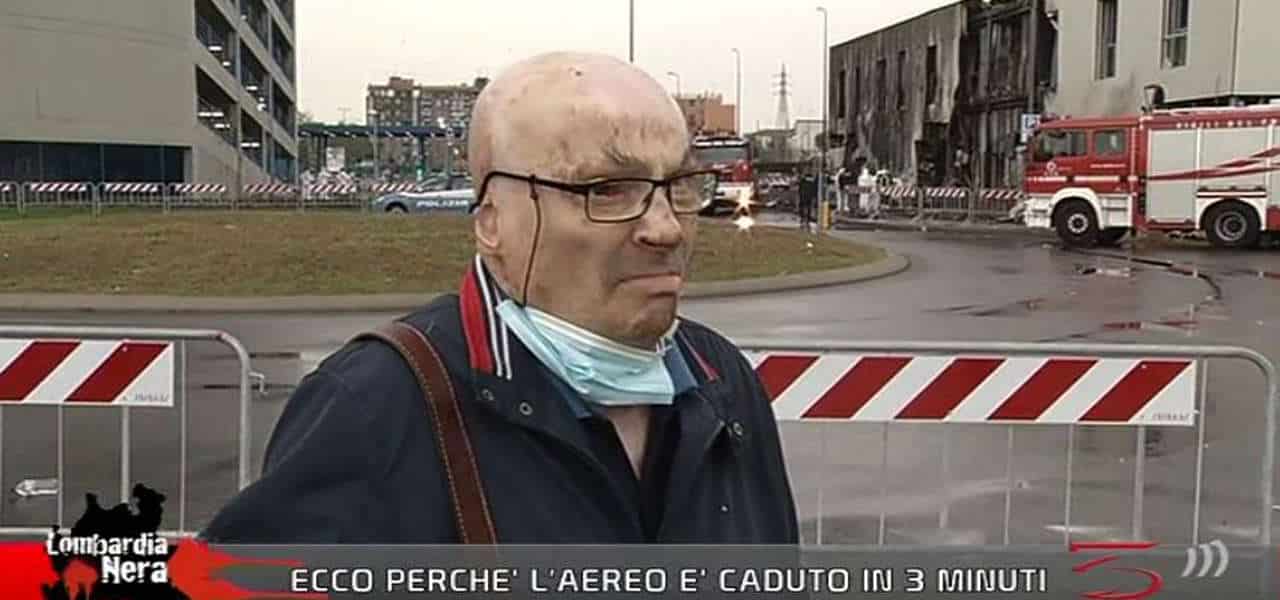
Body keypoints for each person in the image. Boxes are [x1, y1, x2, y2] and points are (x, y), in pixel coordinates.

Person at [200, 51, 799, 545]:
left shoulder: (725, 384)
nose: (666, 228)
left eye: (679, 186)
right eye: (607, 189)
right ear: (493, 222)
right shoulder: (376, 407)